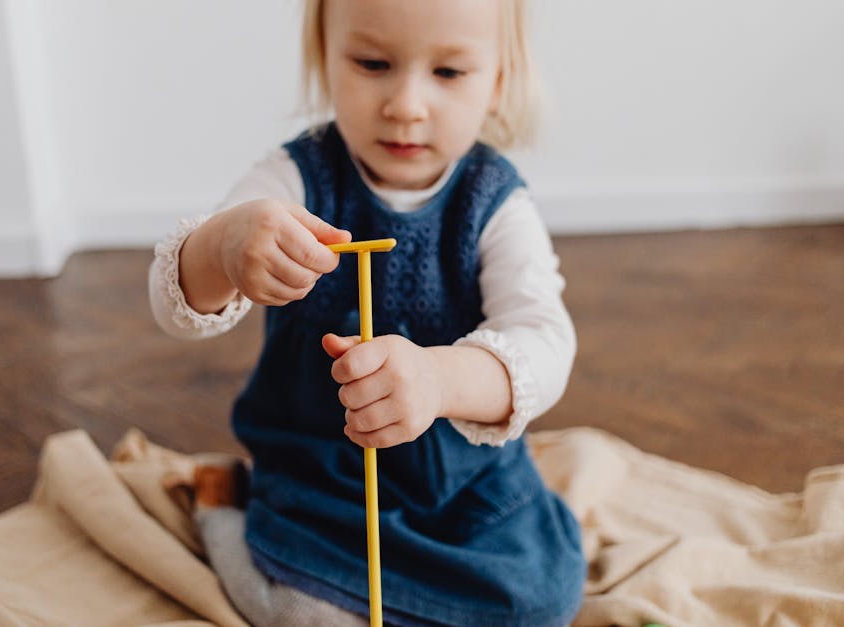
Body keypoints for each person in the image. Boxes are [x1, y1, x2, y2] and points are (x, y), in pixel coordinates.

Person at [149, 0, 585, 625]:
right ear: (325, 59)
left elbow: (544, 342)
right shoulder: (294, 180)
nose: (406, 104)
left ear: (499, 79)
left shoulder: (496, 203)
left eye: (450, 72)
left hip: (465, 486)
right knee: (301, 614)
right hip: (321, 484)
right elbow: (171, 307)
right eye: (373, 62)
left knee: (542, 599)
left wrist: (440, 380)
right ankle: (221, 503)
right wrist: (221, 249)